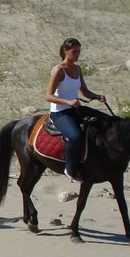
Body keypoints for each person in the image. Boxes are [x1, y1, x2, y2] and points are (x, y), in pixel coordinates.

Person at [45, 37, 106, 182]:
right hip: (59, 112)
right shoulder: (60, 70)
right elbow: (48, 95)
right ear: (66, 52)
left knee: (106, 121)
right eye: (74, 51)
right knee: (75, 136)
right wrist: (68, 101)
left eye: (79, 51)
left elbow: (84, 91)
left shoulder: (77, 69)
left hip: (75, 109)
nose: (77, 54)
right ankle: (70, 169)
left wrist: (97, 96)